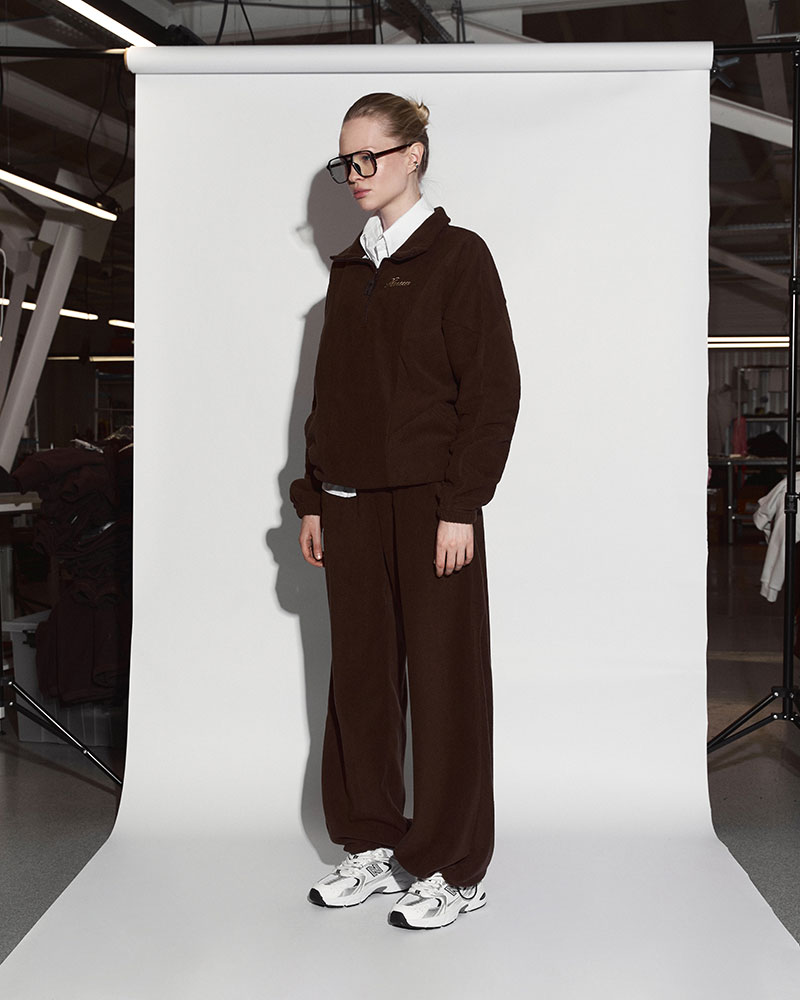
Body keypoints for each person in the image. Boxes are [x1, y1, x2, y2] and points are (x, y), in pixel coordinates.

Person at [290, 93, 520, 931]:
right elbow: (329, 396)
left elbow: (491, 391)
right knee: (361, 683)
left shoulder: (460, 257)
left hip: (432, 508)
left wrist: (461, 505)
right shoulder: (349, 271)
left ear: (413, 154)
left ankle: (456, 868)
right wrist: (314, 496)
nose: (354, 175)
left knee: (446, 684)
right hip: (349, 506)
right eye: (344, 162)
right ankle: (372, 843)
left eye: (368, 158)